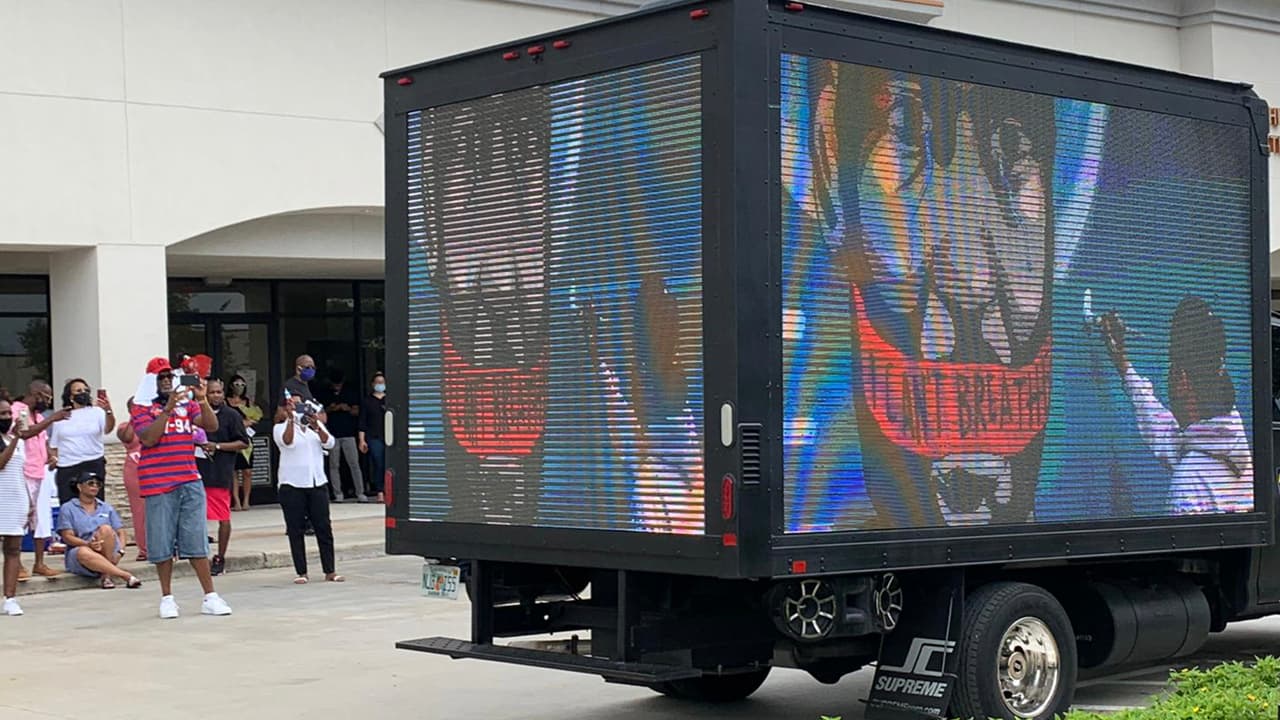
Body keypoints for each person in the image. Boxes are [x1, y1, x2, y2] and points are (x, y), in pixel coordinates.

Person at [1101, 298, 1253, 515]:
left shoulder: (1189, 484)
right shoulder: (1229, 437)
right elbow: (1167, 433)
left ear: (1181, 380)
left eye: (1172, 370)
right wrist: (1123, 365)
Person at [130, 357, 231, 619]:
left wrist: (201, 398)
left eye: (168, 376)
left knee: (196, 539)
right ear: (151, 381)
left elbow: (211, 426)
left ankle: (210, 596)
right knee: (162, 544)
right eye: (160, 377)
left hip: (189, 479)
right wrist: (167, 410)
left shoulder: (187, 404)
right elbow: (149, 438)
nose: (165, 381)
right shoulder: (140, 408)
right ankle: (167, 598)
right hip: (158, 483)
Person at [273, 398, 344, 584]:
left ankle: (330, 570)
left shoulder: (315, 425)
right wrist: (290, 418)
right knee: (296, 529)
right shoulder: (280, 427)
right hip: (292, 485)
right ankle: (301, 571)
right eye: (293, 405)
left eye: (300, 405)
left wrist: (316, 426)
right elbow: (287, 442)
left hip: (316, 483)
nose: (298, 408)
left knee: (324, 528)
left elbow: (330, 443)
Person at [12, 381, 63, 579]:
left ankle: (39, 563)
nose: (48, 402)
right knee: (22, 519)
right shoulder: (19, 410)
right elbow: (24, 433)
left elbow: (44, 441)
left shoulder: (39, 416)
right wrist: (52, 420)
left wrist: (51, 456)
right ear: (36, 394)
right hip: (22, 472)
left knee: (41, 520)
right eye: (47, 397)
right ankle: (16, 565)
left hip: (40, 472)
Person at [56, 471, 142, 589]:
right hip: (83, 551)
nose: (95, 486)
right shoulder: (68, 508)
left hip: (108, 550)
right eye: (90, 483)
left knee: (106, 529)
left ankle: (106, 575)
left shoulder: (106, 508)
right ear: (79, 486)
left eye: (98, 484)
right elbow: (67, 536)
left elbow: (120, 531)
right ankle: (124, 575)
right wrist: (88, 544)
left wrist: (121, 551)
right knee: (83, 551)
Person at [199, 379, 248, 576]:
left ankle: (220, 557)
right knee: (195, 517)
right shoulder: (196, 413)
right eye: (212, 392)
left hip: (220, 472)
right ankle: (198, 555)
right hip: (195, 472)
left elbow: (243, 442)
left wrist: (217, 446)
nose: (216, 396)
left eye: (219, 392)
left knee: (223, 517)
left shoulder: (231, 415)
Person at [48, 378, 116, 505]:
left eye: (85, 390)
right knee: (69, 506)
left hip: (93, 462)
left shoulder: (97, 412)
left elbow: (108, 428)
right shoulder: (61, 417)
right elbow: (54, 446)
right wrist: (53, 459)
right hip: (68, 466)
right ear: (70, 396)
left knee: (94, 504)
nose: (83, 393)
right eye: (78, 391)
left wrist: (108, 410)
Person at [0, 400, 31, 615]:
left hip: (15, 499)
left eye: (7, 413)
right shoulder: (14, 441)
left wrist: (29, 502)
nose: (5, 417)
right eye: (1, 414)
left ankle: (10, 598)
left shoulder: (16, 439)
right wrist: (16, 440)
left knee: (13, 550)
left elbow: (20, 472)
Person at [318, 369, 365, 502]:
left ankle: (360, 492)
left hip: (348, 433)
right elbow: (320, 413)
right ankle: (338, 494)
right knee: (334, 465)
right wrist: (331, 408)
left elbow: (357, 411)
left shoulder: (350, 393)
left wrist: (347, 408)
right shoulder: (326, 393)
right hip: (332, 434)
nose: (337, 386)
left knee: (354, 464)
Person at [116, 398, 147, 561]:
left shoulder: (151, 422)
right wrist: (135, 416)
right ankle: (144, 549)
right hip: (134, 470)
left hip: (153, 468)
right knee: (140, 511)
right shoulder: (124, 426)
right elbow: (127, 437)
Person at [226, 375, 262, 511]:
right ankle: (236, 501)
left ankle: (246, 500)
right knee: (234, 472)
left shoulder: (247, 402)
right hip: (231, 439)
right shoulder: (226, 402)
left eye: (242, 385)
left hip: (246, 439)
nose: (239, 387)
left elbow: (256, 417)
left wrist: (249, 421)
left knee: (247, 471)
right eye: (236, 384)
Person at [358, 372, 388, 504]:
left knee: (390, 465)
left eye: (382, 382)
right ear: (372, 384)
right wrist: (362, 440)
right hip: (374, 436)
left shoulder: (390, 400)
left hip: (390, 437)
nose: (380, 385)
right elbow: (362, 422)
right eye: (377, 382)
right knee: (378, 463)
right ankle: (380, 491)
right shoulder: (367, 401)